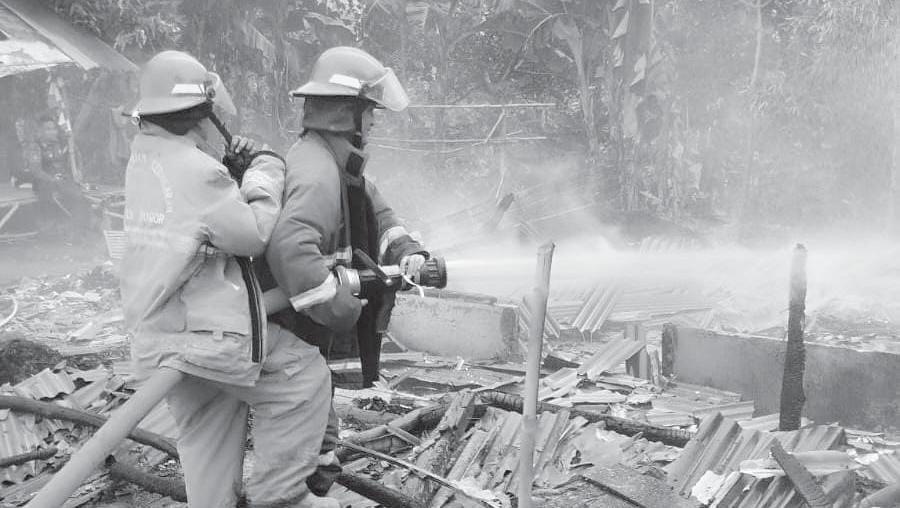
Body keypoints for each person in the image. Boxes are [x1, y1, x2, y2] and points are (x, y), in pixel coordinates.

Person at [120, 50, 337, 508]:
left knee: (209, 429)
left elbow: (197, 223)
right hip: (206, 336)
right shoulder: (200, 171)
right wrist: (265, 170)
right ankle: (278, 498)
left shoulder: (144, 158)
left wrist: (230, 177)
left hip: (157, 336)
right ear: (200, 113)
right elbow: (252, 235)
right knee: (303, 376)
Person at [257, 46, 431, 497]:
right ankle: (293, 493)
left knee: (318, 422)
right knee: (304, 419)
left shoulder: (334, 162)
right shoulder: (317, 171)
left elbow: (376, 214)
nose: (373, 121)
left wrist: (408, 249)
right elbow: (292, 247)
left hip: (309, 329)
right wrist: (339, 306)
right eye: (369, 111)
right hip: (297, 326)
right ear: (345, 114)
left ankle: (310, 483)